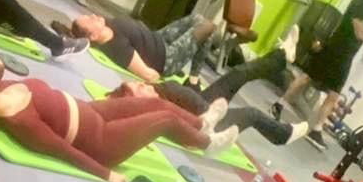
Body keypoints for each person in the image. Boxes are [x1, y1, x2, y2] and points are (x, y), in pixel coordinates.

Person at [0, 75, 239, 182]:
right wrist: (106, 174)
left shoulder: (3, 85)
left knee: (156, 103)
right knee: (163, 120)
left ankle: (201, 123)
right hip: (101, 141)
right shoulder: (20, 122)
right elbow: (62, 150)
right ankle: (207, 144)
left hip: (91, 111)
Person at [108, 26, 307, 148]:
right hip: (208, 123)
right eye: (139, 89)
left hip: (203, 106)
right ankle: (283, 134)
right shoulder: (157, 110)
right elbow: (192, 115)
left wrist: (193, 83)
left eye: (138, 84)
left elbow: (190, 99)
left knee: (238, 73)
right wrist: (209, 112)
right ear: (138, 105)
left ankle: (281, 55)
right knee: (251, 114)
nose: (142, 84)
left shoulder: (160, 92)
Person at [281, 0, 363, 146]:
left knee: (333, 95)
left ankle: (316, 130)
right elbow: (361, 34)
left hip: (347, 56)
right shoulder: (361, 2)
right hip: (335, 49)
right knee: (307, 78)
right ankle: (280, 105)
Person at [60, 9, 218, 83]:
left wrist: (66, 31)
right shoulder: (117, 47)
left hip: (159, 37)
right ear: (93, 36)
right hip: (167, 58)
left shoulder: (106, 24)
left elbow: (76, 36)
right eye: (89, 20)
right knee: (208, 27)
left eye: (89, 16)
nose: (93, 15)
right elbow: (149, 75)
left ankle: (193, 79)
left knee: (197, 18)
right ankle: (194, 80)